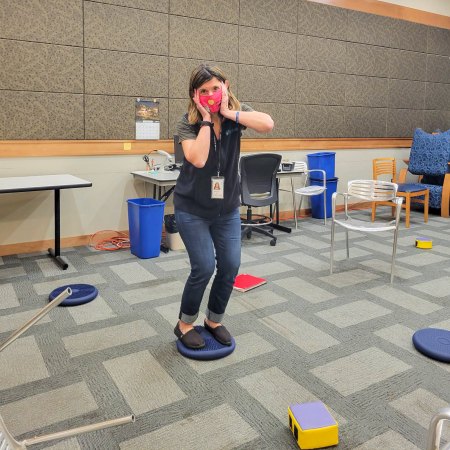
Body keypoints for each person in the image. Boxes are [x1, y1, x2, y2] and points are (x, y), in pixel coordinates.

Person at [173, 64, 274, 349]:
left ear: (225, 87)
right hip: (192, 209)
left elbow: (267, 124)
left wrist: (229, 112)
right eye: (203, 91)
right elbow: (199, 159)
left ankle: (213, 320)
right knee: (204, 267)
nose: (210, 95)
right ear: (194, 95)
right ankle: (184, 324)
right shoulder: (186, 123)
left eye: (215, 88)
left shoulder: (236, 117)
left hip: (226, 208)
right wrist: (206, 119)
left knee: (230, 266)